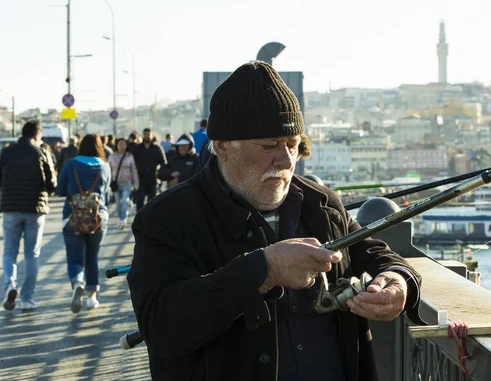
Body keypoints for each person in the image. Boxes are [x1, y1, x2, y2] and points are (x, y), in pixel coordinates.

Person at [127, 62, 422, 381]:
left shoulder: (321, 203)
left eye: (293, 145)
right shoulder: (166, 217)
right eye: (269, 146)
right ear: (223, 145)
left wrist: (399, 279)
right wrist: (264, 270)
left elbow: (370, 250)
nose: (285, 160)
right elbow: (161, 326)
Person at [1, 121, 56, 311]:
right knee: (32, 254)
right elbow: (52, 183)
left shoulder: (7, 151)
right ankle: (27, 298)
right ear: (37, 135)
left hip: (10, 207)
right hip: (35, 208)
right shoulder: (41, 152)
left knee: (9, 251)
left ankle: (10, 285)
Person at [56, 134, 111, 313]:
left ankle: (78, 282)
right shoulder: (105, 166)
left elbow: (61, 190)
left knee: (75, 257)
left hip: (73, 217)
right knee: (92, 256)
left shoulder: (71, 164)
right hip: (98, 218)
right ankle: (92, 298)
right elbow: (106, 194)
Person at [132, 128, 166, 212]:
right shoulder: (137, 148)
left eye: (148, 134)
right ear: (143, 135)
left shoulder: (157, 148)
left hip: (153, 178)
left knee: (152, 201)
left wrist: (161, 174)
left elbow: (163, 162)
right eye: (145, 134)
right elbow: (132, 162)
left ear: (152, 135)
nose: (147, 136)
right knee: (140, 200)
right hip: (140, 178)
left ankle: (150, 220)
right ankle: (139, 219)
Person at [109, 138, 139, 229]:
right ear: (116, 145)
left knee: (125, 201)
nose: (122, 146)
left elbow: (133, 170)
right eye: (120, 144)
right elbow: (108, 170)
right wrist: (107, 183)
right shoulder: (112, 156)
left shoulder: (129, 156)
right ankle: (120, 217)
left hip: (127, 181)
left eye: (123, 144)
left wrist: (136, 183)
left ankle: (123, 219)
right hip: (116, 182)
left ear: (126, 146)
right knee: (118, 203)